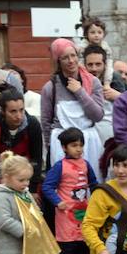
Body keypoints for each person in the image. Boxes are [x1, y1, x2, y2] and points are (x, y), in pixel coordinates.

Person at [41, 38, 105, 181]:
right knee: (66, 184)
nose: (71, 61)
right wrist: (51, 147)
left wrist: (80, 92)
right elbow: (46, 122)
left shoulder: (93, 82)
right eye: (65, 57)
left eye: (73, 55)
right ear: (58, 61)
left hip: (89, 142)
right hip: (62, 145)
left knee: (91, 182)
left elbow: (98, 115)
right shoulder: (51, 88)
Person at [42, 128, 98, 254]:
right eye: (74, 145)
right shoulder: (60, 166)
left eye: (81, 145)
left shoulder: (86, 164)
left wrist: (98, 200)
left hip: (83, 210)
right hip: (65, 212)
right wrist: (57, 201)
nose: (78, 149)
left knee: (81, 239)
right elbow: (47, 186)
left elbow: (94, 183)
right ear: (64, 147)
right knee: (68, 242)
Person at [0, 85, 43, 190]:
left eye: (21, 110)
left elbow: (36, 159)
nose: (19, 116)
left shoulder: (33, 124)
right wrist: (5, 176)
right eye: (13, 111)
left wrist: (33, 189)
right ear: (3, 111)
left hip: (26, 180)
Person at [76, 16, 114, 84]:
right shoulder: (81, 48)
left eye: (99, 32)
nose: (96, 35)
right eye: (92, 32)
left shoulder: (106, 48)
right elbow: (80, 65)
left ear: (104, 34)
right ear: (86, 34)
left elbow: (109, 66)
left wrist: (107, 82)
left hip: (103, 76)